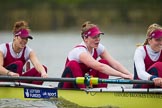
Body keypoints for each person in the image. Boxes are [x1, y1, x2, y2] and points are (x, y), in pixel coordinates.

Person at [58, 21, 133, 88]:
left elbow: (114, 63)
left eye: (98, 36)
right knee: (73, 64)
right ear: (85, 38)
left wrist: (130, 75)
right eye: (94, 37)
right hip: (68, 85)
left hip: (86, 82)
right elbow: (101, 67)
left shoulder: (99, 48)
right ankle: (83, 91)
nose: (98, 39)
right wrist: (122, 75)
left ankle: (101, 90)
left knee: (104, 62)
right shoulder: (79, 51)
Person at [0, 20, 48, 85]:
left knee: (43, 68)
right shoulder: (3, 48)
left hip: (17, 80)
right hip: (3, 79)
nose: (24, 41)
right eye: (22, 38)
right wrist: (10, 73)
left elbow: (37, 64)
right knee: (19, 64)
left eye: (26, 39)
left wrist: (43, 73)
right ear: (15, 37)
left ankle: (34, 92)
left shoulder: (28, 51)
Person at [133, 23, 162, 88]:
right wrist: (154, 78)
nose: (161, 43)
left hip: (157, 85)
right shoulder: (140, 51)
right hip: (140, 86)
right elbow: (140, 73)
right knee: (159, 65)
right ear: (149, 40)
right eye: (158, 40)